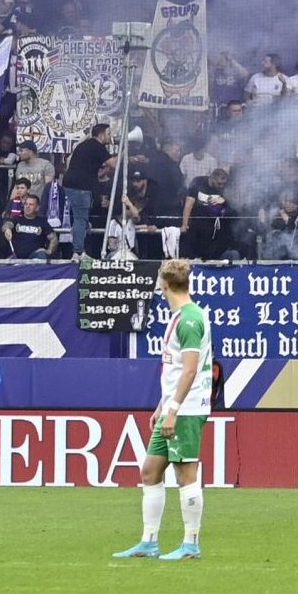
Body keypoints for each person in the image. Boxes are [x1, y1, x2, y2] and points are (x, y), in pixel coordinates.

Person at [113, 257, 211, 562]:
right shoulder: (181, 317)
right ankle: (149, 541)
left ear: (165, 285)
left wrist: (173, 409)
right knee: (150, 470)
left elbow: (191, 369)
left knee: (185, 474)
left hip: (186, 409)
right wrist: (162, 405)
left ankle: (190, 543)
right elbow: (176, 368)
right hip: (172, 407)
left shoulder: (190, 320)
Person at [63, 120, 114, 259]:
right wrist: (125, 154)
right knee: (80, 218)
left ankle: (81, 249)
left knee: (82, 219)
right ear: (101, 135)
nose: (111, 137)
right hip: (80, 187)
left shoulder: (85, 145)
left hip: (74, 185)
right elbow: (113, 164)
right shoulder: (97, 146)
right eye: (109, 134)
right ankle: (78, 252)